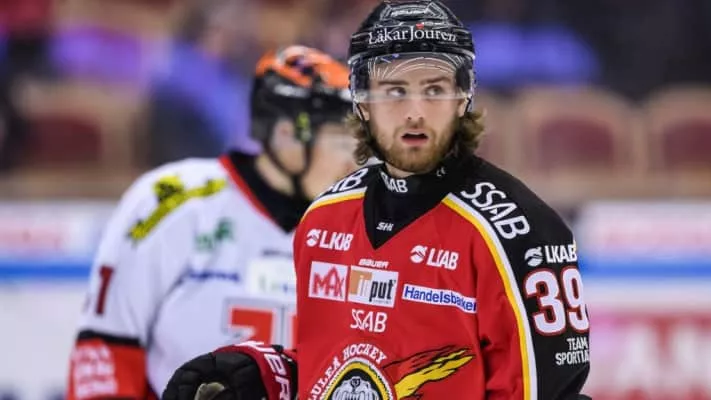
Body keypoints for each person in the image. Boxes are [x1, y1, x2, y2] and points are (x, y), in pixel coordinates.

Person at [162, 1, 592, 399]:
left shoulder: (520, 233)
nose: (414, 112)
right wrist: (266, 373)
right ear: (362, 101)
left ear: (463, 97)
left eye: (435, 90)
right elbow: (336, 369)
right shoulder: (322, 220)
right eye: (394, 91)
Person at [65, 45, 357, 400]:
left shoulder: (363, 223)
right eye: (342, 140)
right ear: (286, 134)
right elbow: (106, 350)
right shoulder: (171, 202)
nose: (355, 161)